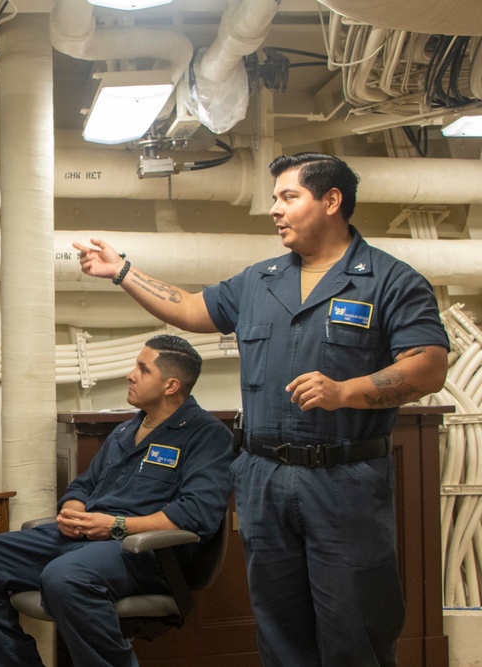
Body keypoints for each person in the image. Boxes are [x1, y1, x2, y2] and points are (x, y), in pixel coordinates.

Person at [73, 152, 450, 666]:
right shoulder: (261, 280)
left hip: (344, 481)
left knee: (354, 627)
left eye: (288, 196)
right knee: (279, 628)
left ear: (331, 201)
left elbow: (427, 365)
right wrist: (122, 271)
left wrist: (346, 391)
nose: (274, 208)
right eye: (275, 197)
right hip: (264, 478)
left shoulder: (388, 280)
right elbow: (190, 308)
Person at [0, 334, 233, 667]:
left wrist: (115, 526)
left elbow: (196, 515)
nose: (131, 374)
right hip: (83, 539)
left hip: (141, 553)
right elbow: (84, 485)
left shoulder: (208, 436)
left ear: (170, 386)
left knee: (65, 578)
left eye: (142, 369)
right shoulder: (127, 431)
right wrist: (73, 510)